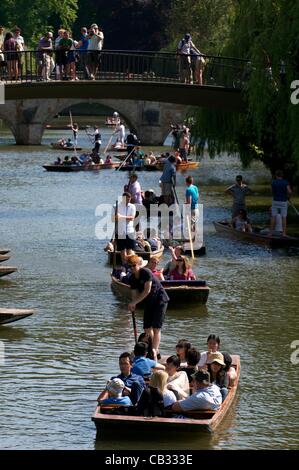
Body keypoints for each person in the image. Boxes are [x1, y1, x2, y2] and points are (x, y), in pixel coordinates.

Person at [127, 254, 169, 356]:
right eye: (130, 266)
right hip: (149, 302)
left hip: (160, 300)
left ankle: (154, 351)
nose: (132, 268)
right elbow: (134, 295)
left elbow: (147, 290)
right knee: (146, 328)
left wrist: (135, 302)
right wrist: (133, 304)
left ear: (138, 265)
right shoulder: (132, 278)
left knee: (156, 327)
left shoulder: (146, 272)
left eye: (134, 265)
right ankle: (150, 348)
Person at [115, 192, 136, 265]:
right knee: (122, 251)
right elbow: (113, 219)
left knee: (130, 250)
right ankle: (124, 265)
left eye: (129, 199)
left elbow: (132, 218)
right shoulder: (117, 206)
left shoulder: (132, 206)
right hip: (120, 231)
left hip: (130, 231)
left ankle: (131, 264)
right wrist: (116, 217)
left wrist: (121, 217)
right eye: (126, 199)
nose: (128, 201)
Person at [269, 170, 292, 237]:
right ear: (282, 175)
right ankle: (284, 233)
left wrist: (275, 194)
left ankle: (270, 233)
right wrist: (288, 197)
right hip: (283, 201)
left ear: (276, 175)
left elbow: (271, 192)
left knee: (273, 216)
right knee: (284, 217)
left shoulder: (273, 182)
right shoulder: (285, 182)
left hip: (275, 201)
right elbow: (290, 191)